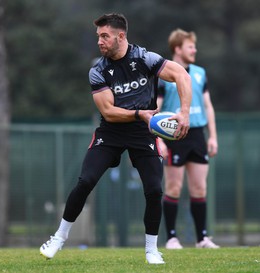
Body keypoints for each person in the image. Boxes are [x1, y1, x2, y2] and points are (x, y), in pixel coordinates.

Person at [39, 13, 192, 264]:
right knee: (86, 181)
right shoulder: (98, 70)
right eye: (98, 36)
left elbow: (181, 76)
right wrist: (139, 113)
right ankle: (59, 237)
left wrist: (184, 112)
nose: (100, 41)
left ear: (121, 36)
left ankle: (151, 250)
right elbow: (108, 112)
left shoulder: (145, 58)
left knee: (154, 190)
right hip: (111, 132)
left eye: (104, 36)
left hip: (143, 132)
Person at [157, 28, 220, 249]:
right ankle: (172, 238)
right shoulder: (165, 75)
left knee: (199, 188)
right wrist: (159, 140)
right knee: (174, 187)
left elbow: (208, 106)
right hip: (173, 135)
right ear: (177, 48)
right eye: (190, 46)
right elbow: (155, 109)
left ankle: (202, 238)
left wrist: (212, 136)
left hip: (197, 134)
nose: (194, 49)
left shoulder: (200, 73)